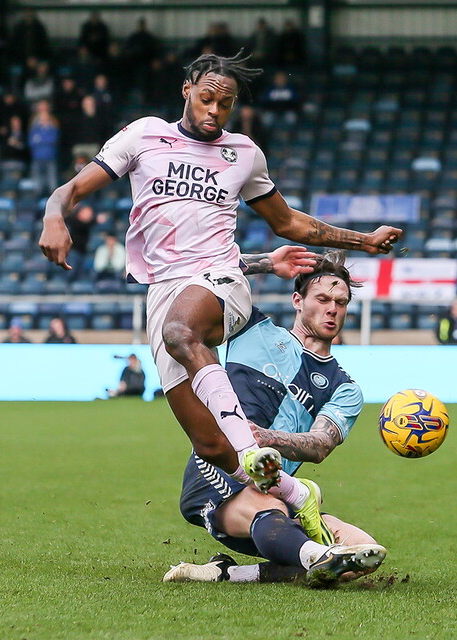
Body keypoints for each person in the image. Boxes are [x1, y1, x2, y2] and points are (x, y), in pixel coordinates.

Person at [38, 51, 401, 545]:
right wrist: (53, 216)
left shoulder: (243, 153)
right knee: (209, 444)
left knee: (181, 332)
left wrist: (364, 241)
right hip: (164, 290)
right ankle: (296, 496)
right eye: (207, 98)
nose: (214, 110)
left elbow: (287, 222)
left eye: (225, 104)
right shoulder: (144, 135)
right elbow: (72, 189)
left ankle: (253, 454)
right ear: (187, 89)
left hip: (221, 281)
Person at [164, 252, 386, 587]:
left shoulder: (345, 388)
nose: (332, 309)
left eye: (340, 302)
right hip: (221, 469)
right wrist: (268, 264)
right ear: (298, 300)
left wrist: (265, 437)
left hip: (278, 485)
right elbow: (210, 274)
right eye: (322, 299)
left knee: (363, 550)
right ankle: (310, 552)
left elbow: (319, 445)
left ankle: (229, 573)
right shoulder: (253, 329)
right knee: (271, 510)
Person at [29, 109, 59, 195]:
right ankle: (37, 196)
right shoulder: (35, 130)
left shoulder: (53, 129)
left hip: (50, 157)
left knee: (52, 180)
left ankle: (52, 197)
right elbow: (31, 143)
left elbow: (53, 140)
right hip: (37, 157)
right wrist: (44, 140)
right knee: (37, 181)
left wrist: (40, 139)